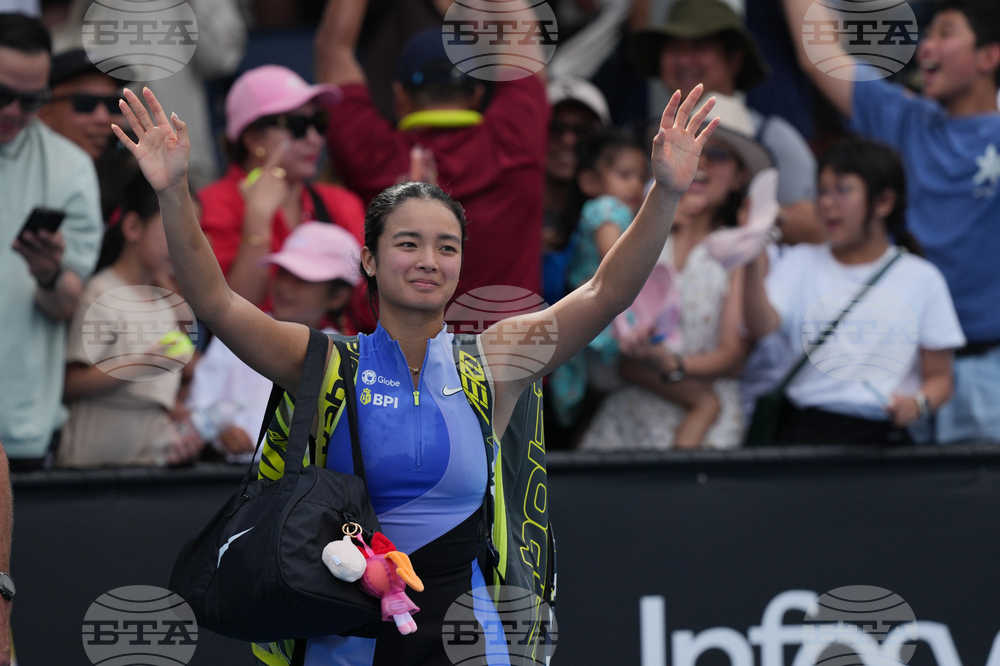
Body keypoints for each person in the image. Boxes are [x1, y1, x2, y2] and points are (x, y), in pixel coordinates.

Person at [113, 77, 719, 664]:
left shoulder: (494, 361)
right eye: (407, 244)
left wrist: (664, 193)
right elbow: (217, 302)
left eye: (447, 247)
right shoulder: (323, 361)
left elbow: (606, 292)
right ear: (370, 261)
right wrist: (173, 192)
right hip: (343, 637)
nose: (429, 260)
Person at [781, 0, 1000, 444]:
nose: (926, 46)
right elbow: (818, 54)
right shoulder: (903, 117)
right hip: (893, 372)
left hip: (988, 372)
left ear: (989, 56)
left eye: (945, 33)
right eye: (927, 34)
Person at [315, 0, 549, 298]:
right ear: (477, 96)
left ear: (399, 97)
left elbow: (333, 48)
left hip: (399, 345)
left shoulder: (370, 151)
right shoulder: (516, 135)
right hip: (510, 345)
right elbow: (523, 28)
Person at [742, 139, 965, 445]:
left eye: (842, 190)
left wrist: (918, 403)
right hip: (804, 432)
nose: (827, 203)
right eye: (821, 191)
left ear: (884, 202)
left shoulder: (922, 278)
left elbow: (940, 377)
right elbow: (761, 325)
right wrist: (753, 255)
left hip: (883, 437)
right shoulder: (800, 261)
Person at [580, 93, 765, 451]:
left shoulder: (742, 248)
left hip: (707, 420)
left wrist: (670, 364)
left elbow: (732, 358)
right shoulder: (639, 228)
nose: (702, 162)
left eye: (719, 154)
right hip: (627, 417)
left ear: (741, 175)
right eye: (695, 146)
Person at [0, 13, 103, 470]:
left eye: (29, 100)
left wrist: (49, 274)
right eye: (1, 95)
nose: (11, 112)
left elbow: (65, 303)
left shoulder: (69, 166)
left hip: (16, 428)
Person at [634, 0, 825, 246]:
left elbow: (817, 229)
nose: (684, 60)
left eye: (699, 47)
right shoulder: (643, 133)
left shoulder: (772, 136)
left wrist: (740, 215)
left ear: (734, 59)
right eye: (673, 48)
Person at [186, 222, 360, 464]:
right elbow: (197, 405)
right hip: (226, 482)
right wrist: (218, 433)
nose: (286, 286)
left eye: (303, 278)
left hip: (307, 490)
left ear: (338, 296)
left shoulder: (347, 354)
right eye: (282, 272)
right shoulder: (235, 330)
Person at [57, 172, 199, 467]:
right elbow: (70, 384)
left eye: (190, 233)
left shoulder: (167, 303)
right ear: (133, 227)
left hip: (149, 466)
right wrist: (139, 365)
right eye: (171, 229)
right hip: (91, 470)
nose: (182, 244)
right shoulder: (100, 292)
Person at [198, 64, 365, 314]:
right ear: (254, 140)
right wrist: (258, 220)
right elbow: (228, 316)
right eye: (297, 126)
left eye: (319, 123)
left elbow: (369, 303)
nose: (314, 139)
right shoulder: (210, 205)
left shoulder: (340, 202)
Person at [548, 129, 647, 426]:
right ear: (590, 181)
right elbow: (612, 257)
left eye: (641, 177)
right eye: (624, 174)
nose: (636, 185)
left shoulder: (605, 210)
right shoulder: (607, 208)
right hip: (603, 322)